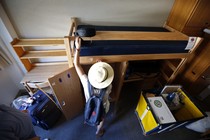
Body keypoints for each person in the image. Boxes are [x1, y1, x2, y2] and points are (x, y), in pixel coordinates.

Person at [74, 37, 114, 137]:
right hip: (103, 107)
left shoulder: (86, 82)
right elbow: (109, 91)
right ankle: (98, 131)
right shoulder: (108, 86)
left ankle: (90, 118)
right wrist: (100, 65)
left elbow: (76, 65)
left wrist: (78, 48)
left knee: (93, 111)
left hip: (90, 104)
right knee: (101, 117)